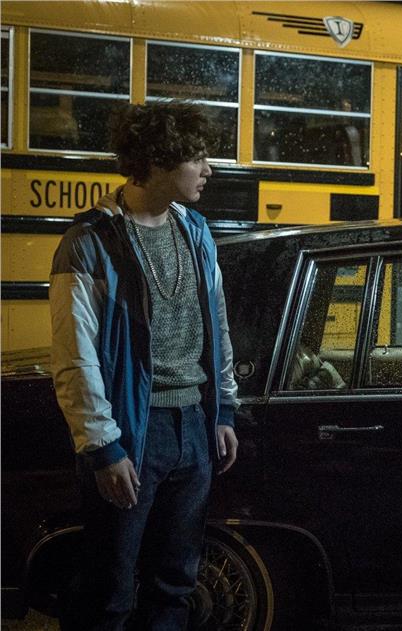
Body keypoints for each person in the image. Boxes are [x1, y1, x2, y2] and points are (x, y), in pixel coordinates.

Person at [50, 101, 239, 630]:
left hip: (193, 428)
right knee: (109, 590)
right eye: (197, 157)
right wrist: (102, 446)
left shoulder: (195, 230)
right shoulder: (90, 241)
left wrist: (223, 409)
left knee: (175, 585)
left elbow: (217, 323)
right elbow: (74, 354)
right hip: (133, 432)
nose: (208, 170)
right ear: (158, 161)